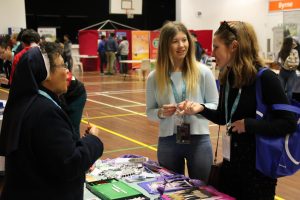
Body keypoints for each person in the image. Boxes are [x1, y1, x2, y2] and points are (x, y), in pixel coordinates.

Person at [178, 21, 296, 199]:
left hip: (258, 172)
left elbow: (288, 123)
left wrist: (248, 125)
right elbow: (224, 117)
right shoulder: (228, 77)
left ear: (233, 46)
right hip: (230, 166)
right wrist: (201, 108)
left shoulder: (266, 78)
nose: (212, 52)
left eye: (216, 47)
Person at [0, 43, 103, 199]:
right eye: (62, 65)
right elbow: (69, 163)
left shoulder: (28, 103)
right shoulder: (44, 112)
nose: (67, 71)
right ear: (46, 75)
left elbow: (52, 155)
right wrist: (93, 140)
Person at [146, 21, 219, 181]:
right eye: (175, 41)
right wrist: (160, 112)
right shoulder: (154, 77)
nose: (181, 45)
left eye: (184, 40)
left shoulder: (203, 72)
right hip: (168, 141)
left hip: (199, 139)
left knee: (203, 191)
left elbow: (215, 105)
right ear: (165, 45)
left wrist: (199, 107)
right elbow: (149, 112)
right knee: (171, 190)